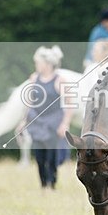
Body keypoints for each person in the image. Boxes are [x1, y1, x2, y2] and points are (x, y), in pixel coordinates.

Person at [18, 45, 74, 189]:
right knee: (39, 157)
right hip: (36, 122)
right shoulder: (34, 78)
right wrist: (23, 121)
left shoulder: (60, 80)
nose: (36, 65)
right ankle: (43, 185)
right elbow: (29, 102)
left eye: (38, 62)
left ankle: (52, 185)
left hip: (53, 123)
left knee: (51, 157)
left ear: (47, 64)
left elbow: (69, 104)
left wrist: (65, 124)